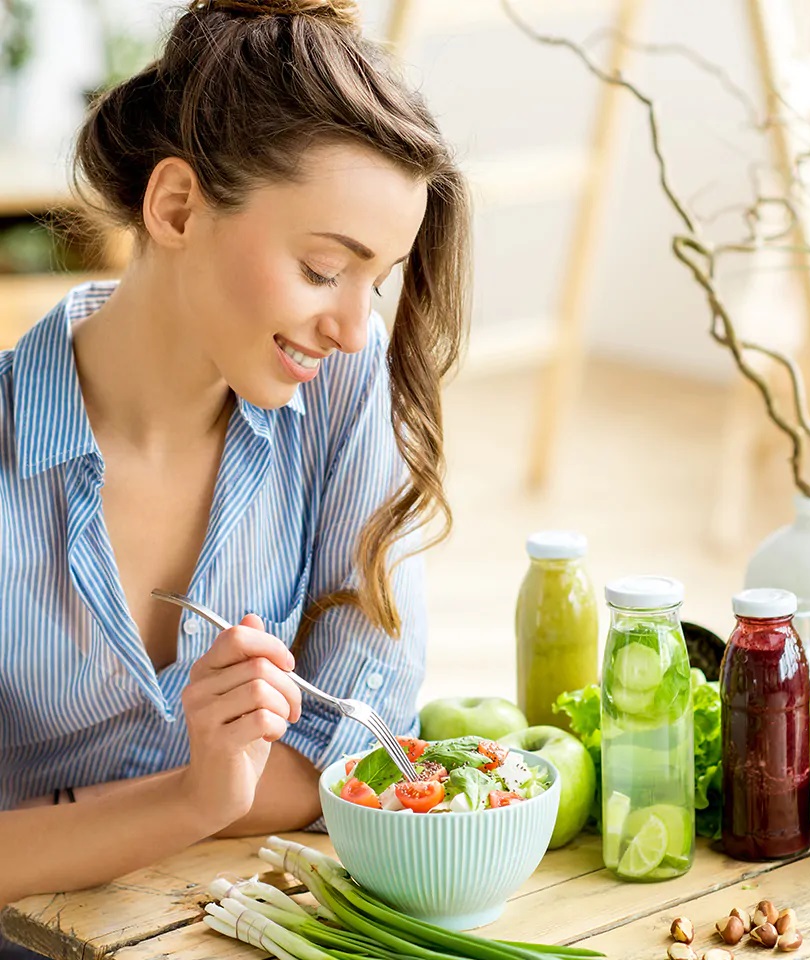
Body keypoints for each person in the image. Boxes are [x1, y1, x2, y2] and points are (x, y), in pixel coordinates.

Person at [0, 0, 470, 922]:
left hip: (241, 917)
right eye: (324, 267)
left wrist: (55, 822)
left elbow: (364, 744)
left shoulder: (338, 380)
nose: (349, 326)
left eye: (377, 281)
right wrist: (196, 797)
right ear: (177, 207)